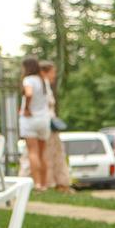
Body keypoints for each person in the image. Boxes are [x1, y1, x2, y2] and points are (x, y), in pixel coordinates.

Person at [19, 55, 51, 189]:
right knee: (42, 153)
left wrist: (26, 108)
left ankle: (37, 183)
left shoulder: (28, 80)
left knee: (33, 152)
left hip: (30, 120)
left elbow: (29, 93)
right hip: (43, 119)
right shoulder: (43, 80)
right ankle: (44, 184)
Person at [40, 61, 72, 192]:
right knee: (51, 154)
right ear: (44, 72)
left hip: (47, 125)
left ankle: (58, 182)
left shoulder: (44, 85)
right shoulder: (42, 85)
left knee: (54, 154)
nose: (54, 75)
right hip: (47, 125)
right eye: (52, 72)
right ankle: (52, 182)